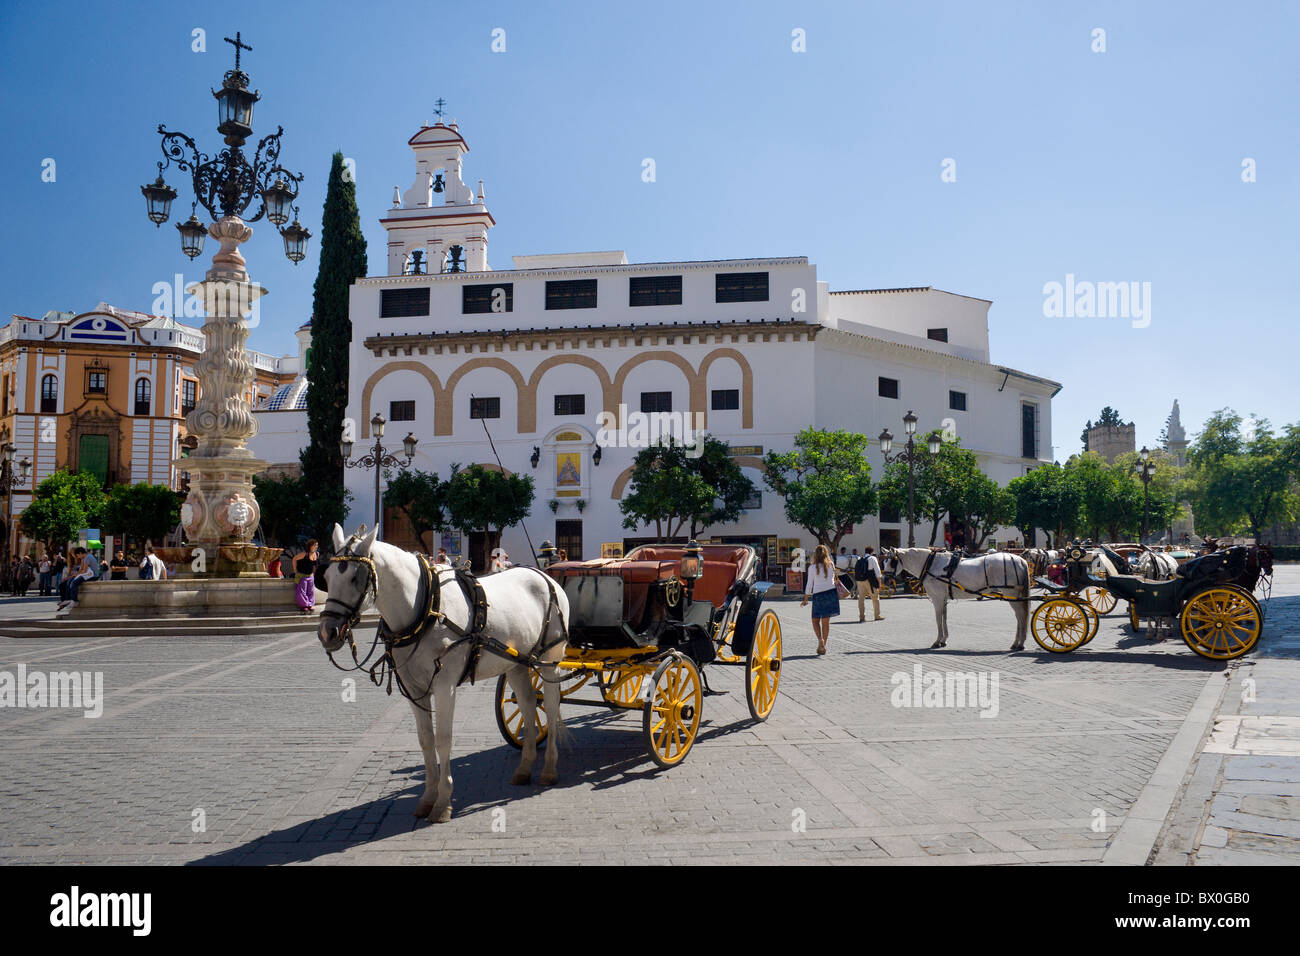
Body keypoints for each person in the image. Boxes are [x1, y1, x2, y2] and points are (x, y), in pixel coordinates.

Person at [800, 544, 839, 656]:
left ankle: (820, 640)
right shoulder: (831, 564)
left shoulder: (812, 568)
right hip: (831, 594)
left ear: (815, 555)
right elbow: (834, 579)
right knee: (826, 622)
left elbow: (809, 585)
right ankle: (824, 645)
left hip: (818, 595)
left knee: (815, 620)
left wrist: (805, 599)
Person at [855, 546, 884, 622]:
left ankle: (862, 617)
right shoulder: (872, 558)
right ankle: (877, 615)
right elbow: (877, 572)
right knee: (875, 598)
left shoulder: (860, 559)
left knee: (861, 599)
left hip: (860, 581)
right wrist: (879, 582)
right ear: (872, 552)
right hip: (869, 581)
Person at [294, 540, 319, 614]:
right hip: (302, 575)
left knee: (311, 591)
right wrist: (295, 571)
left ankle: (310, 604)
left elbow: (314, 565)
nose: (316, 546)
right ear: (310, 546)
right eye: (314, 545)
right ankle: (304, 605)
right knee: (302, 591)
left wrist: (314, 573)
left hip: (310, 576)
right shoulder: (304, 554)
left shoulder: (317, 554)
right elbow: (294, 559)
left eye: (317, 545)